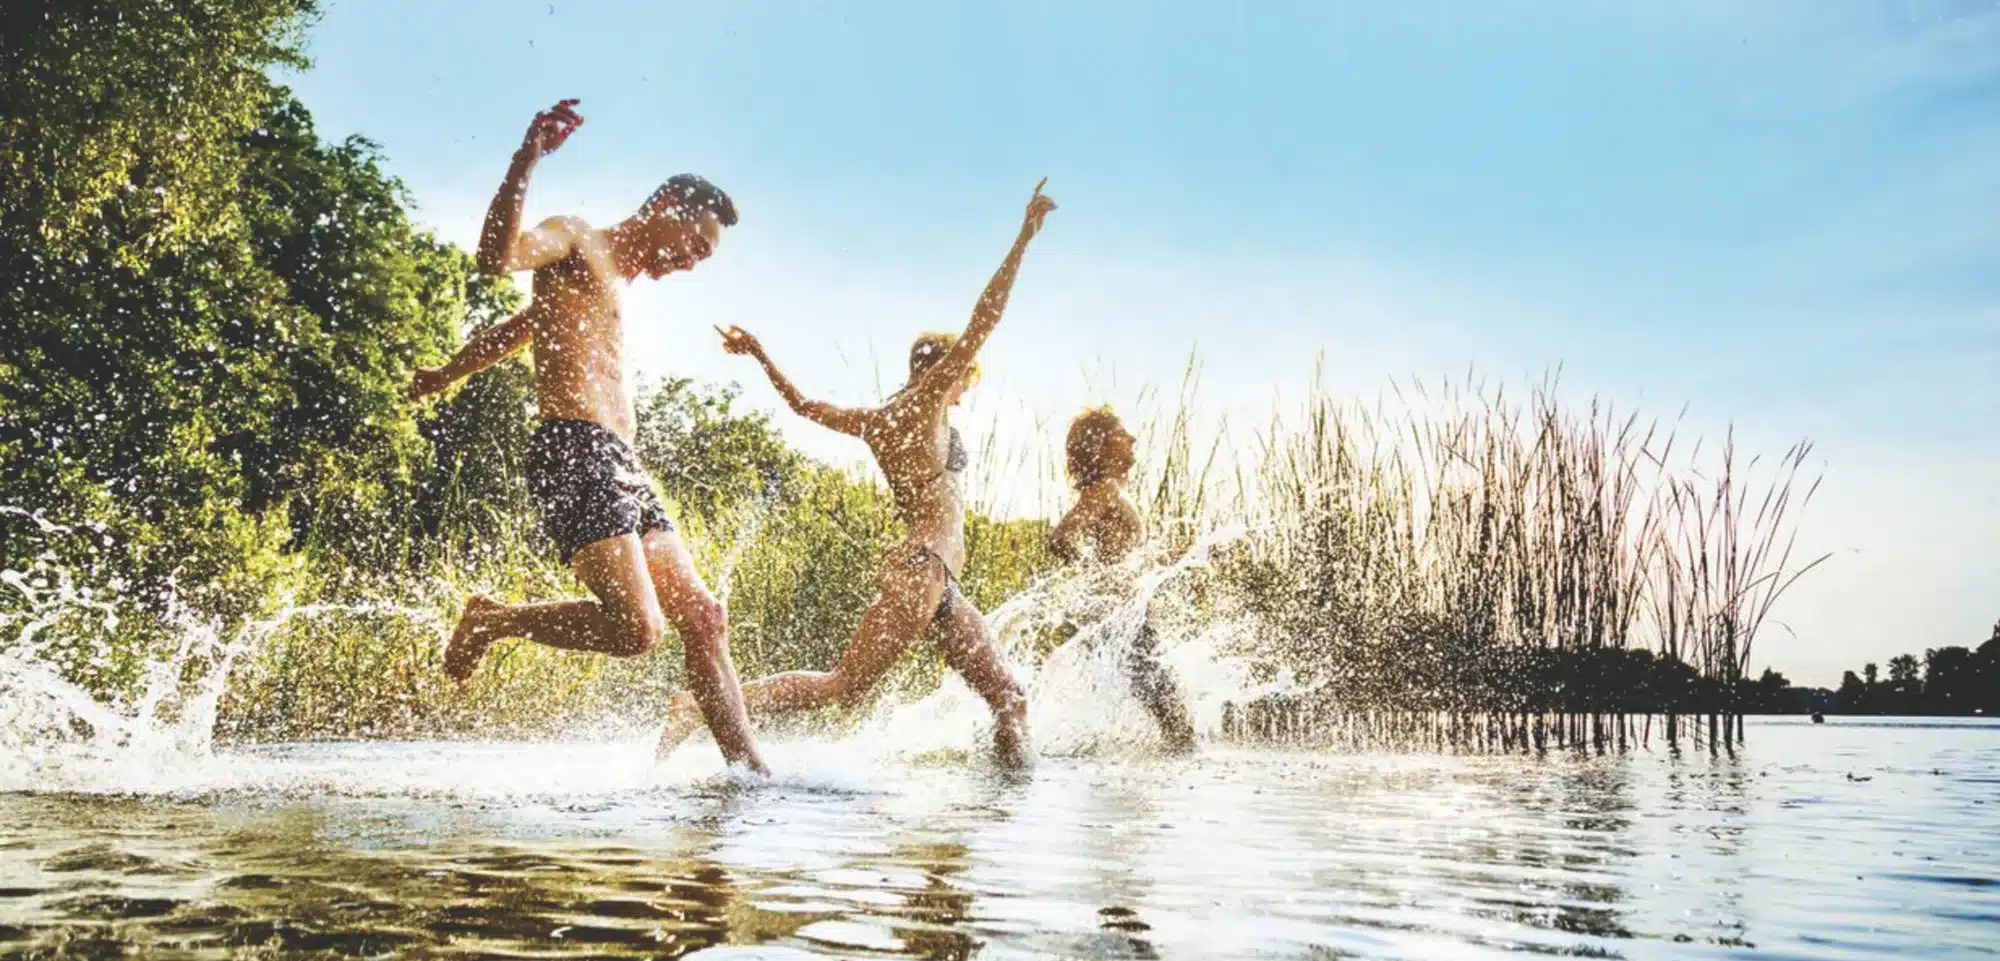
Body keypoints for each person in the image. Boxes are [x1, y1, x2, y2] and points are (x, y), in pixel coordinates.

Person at [407, 98, 768, 775]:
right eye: (696, 244)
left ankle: (751, 775)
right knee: (638, 629)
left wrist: (451, 369)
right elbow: (496, 257)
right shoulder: (575, 237)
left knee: (705, 616)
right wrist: (527, 158)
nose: (693, 262)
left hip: (623, 461)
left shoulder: (616, 286)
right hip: (573, 448)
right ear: (666, 204)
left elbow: (517, 331)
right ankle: (492, 618)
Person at [654, 182, 1058, 768]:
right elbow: (985, 316)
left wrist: (762, 355)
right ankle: (698, 705)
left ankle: (1000, 811)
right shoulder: (926, 403)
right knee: (844, 685)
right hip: (922, 573)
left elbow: (802, 405)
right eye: (963, 376)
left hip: (936, 581)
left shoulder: (877, 419)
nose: (964, 388)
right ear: (952, 373)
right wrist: (1023, 237)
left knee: (1009, 698)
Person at [1047, 406, 1198, 753]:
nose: (1132, 439)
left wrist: (1181, 556)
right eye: (1121, 434)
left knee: (1169, 716)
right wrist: (1100, 578)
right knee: (1176, 723)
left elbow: (1125, 559)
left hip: (1127, 615)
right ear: (1101, 445)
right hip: (1122, 617)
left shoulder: (1111, 490)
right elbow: (1061, 538)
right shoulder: (1104, 490)